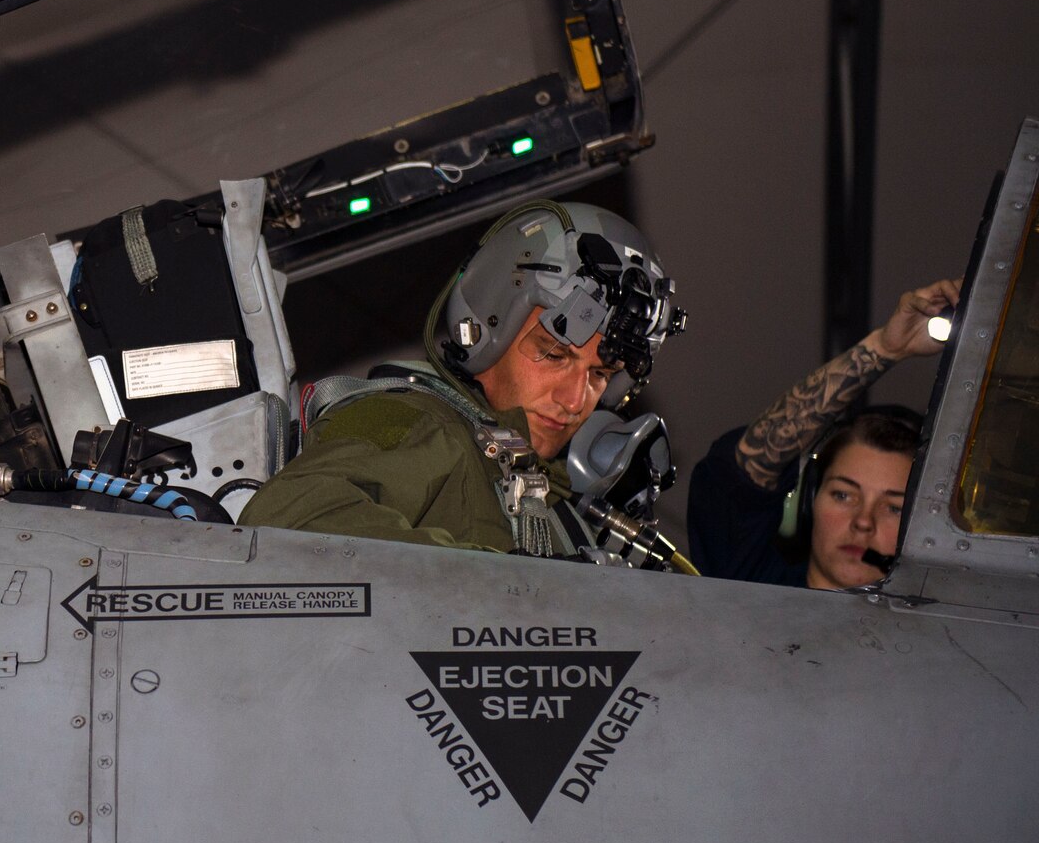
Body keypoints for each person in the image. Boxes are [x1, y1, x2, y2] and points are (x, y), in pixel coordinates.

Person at [242, 199, 684, 553]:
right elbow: (290, 520)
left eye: (600, 374)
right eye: (553, 353)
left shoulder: (555, 492)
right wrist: (503, 587)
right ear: (489, 328)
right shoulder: (415, 420)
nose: (574, 401)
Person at [686, 280, 958, 589]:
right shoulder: (752, 589)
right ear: (807, 503)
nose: (863, 522)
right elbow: (740, 476)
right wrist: (885, 347)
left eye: (894, 507)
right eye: (843, 495)